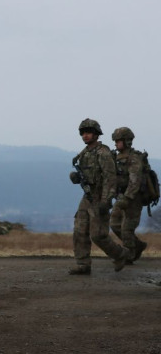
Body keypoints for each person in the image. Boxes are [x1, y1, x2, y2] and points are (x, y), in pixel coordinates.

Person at [68, 118, 130, 275]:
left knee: (98, 235)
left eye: (88, 132)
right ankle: (82, 264)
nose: (85, 136)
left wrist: (106, 201)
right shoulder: (85, 153)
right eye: (83, 133)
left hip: (100, 197)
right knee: (79, 230)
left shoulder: (103, 153)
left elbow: (110, 179)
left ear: (96, 134)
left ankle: (119, 254)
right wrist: (76, 177)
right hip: (87, 196)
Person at [109, 127, 148, 263]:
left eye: (118, 141)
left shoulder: (134, 158)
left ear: (127, 141)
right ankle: (137, 245)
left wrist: (127, 198)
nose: (115, 143)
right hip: (120, 197)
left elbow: (134, 181)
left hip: (133, 199)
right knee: (114, 224)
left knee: (127, 228)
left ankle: (129, 255)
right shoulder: (115, 157)